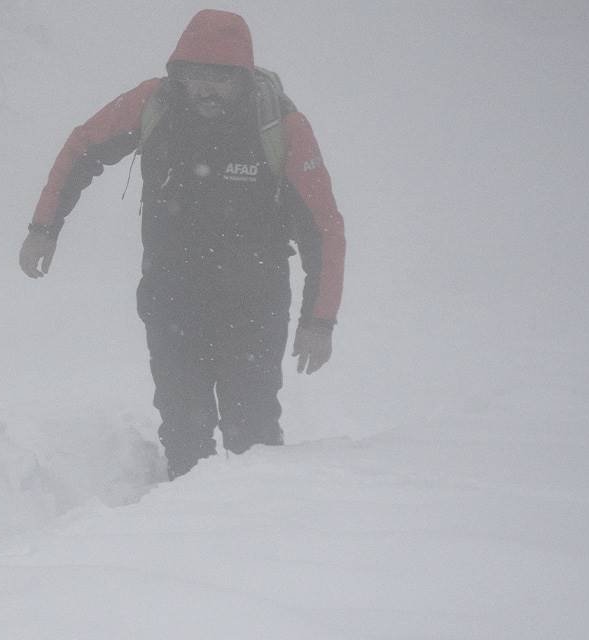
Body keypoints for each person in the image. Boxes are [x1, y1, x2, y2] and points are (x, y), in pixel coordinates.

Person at [18, 10, 345, 479]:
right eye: (195, 76)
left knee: (252, 436)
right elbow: (82, 147)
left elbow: (324, 228)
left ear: (243, 78)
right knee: (184, 429)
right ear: (179, 73)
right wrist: (43, 228)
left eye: (220, 78)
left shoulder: (280, 126)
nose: (206, 89)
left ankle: (258, 536)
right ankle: (182, 539)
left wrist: (320, 320)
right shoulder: (155, 105)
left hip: (254, 303)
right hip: (172, 295)